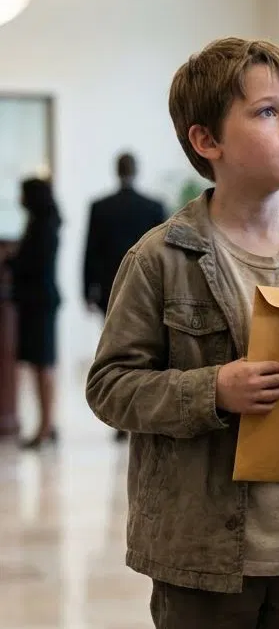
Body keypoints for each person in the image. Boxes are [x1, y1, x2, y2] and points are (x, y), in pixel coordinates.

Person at [86, 37, 279, 629]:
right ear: (206, 141)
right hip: (204, 557)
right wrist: (212, 389)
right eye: (268, 112)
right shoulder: (160, 259)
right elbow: (110, 387)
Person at [83, 153, 165, 441]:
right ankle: (139, 419)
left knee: (116, 353)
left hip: (110, 288)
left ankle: (122, 421)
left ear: (116, 171)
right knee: (149, 350)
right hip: (151, 289)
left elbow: (90, 252)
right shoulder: (153, 206)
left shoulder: (100, 207)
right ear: (136, 170)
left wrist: (87, 290)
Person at [7, 177, 61, 449]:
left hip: (38, 303)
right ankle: (46, 424)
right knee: (41, 365)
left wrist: (11, 259)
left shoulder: (42, 226)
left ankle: (45, 427)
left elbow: (30, 263)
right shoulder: (44, 223)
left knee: (42, 365)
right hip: (39, 301)